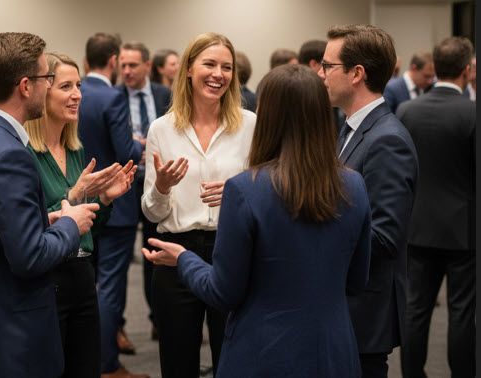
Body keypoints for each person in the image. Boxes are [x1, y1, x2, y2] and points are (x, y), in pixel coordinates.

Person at [143, 63, 371, 377]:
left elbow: (223, 292)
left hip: (263, 351)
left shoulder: (246, 190)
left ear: (270, 116)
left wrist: (184, 259)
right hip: (333, 350)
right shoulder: (354, 185)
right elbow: (357, 281)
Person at [0, 32, 99, 378]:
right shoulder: (11, 154)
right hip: (8, 334)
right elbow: (30, 257)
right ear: (26, 86)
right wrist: (71, 223)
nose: (50, 85)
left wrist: (47, 218)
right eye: (48, 79)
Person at [141, 32, 256, 378]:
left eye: (226, 67)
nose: (218, 74)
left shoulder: (251, 125)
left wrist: (241, 195)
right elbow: (151, 211)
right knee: (177, 363)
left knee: (232, 360)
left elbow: (268, 195)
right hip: (177, 255)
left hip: (232, 250)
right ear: (189, 69)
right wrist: (161, 187)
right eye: (209, 64)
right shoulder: (162, 129)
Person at [24, 52, 136, 378]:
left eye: (78, 85)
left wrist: (103, 198)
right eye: (66, 86)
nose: (77, 95)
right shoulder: (24, 154)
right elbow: (28, 224)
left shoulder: (76, 150)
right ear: (43, 91)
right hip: (46, 280)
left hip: (83, 276)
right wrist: (73, 197)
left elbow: (89, 229)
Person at [319, 24, 418, 378]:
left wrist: (312, 231)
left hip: (363, 310)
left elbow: (384, 238)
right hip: (344, 302)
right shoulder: (350, 128)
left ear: (356, 73)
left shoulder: (387, 140)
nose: (321, 74)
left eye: (328, 66)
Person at [397, 36, 476, 378]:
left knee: (415, 310)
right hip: (464, 229)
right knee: (462, 311)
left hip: (416, 226)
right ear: (467, 69)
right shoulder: (472, 113)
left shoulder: (406, 111)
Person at [77, 32, 148, 378]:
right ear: (114, 60)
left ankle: (86, 359)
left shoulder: (73, 92)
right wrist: (139, 144)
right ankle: (107, 365)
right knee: (110, 287)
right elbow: (124, 152)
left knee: (86, 283)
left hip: (80, 200)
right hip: (116, 206)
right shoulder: (113, 97)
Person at [117, 41, 172, 343]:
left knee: (156, 251)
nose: (126, 71)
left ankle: (158, 319)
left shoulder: (166, 95)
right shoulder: (115, 98)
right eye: (122, 65)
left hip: (157, 183)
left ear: (148, 66)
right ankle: (118, 326)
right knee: (120, 259)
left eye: (133, 65)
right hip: (124, 183)